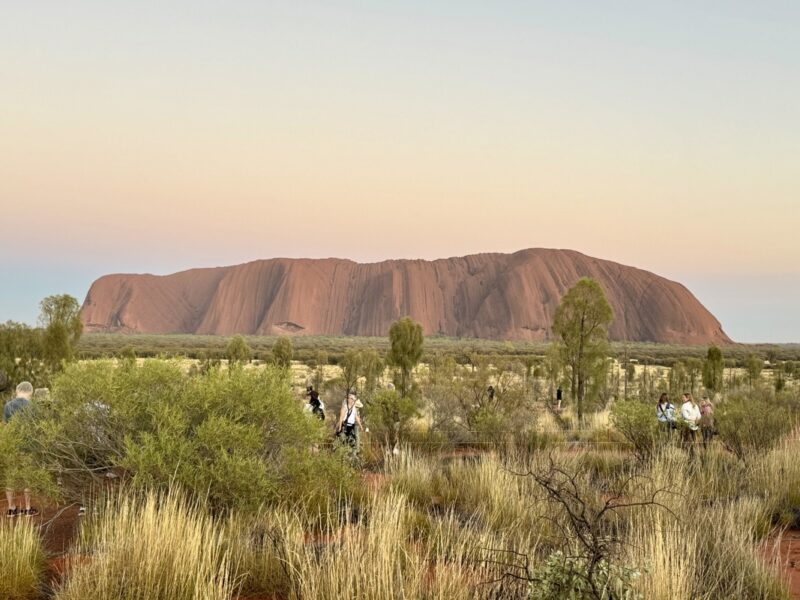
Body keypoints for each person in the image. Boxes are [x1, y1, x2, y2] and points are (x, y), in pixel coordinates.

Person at [3, 381, 39, 517]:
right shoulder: (33, 406)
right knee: (28, 477)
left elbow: (6, 427)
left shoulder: (8, 406)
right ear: (30, 392)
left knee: (10, 478)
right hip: (28, 447)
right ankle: (28, 508)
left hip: (12, 446)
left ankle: (12, 509)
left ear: (17, 390)